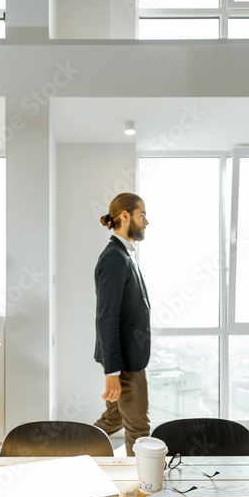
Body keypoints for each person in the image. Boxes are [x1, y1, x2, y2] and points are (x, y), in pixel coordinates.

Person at [92, 192, 151, 456]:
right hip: (125, 363)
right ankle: (144, 490)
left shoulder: (125, 254)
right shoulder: (115, 257)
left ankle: (71, 452)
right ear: (125, 216)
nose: (146, 222)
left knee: (113, 420)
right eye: (142, 215)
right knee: (138, 430)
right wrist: (113, 372)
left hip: (128, 358)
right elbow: (107, 316)